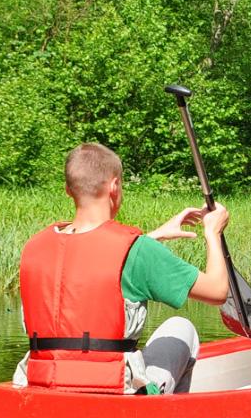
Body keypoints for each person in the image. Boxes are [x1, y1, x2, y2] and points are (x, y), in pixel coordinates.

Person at [14, 142, 230, 395]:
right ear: (114, 186)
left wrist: (156, 235)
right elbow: (217, 291)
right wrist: (212, 232)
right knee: (182, 328)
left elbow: (92, 260)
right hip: (112, 393)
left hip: (41, 386)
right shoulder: (138, 251)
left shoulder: (36, 247)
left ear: (68, 190)